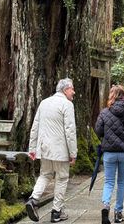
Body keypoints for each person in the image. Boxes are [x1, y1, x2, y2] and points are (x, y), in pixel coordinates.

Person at [26, 78, 77, 223]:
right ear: (65, 90)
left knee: (45, 174)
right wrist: (73, 153)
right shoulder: (67, 105)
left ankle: (34, 199)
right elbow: (70, 130)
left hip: (45, 148)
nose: (74, 92)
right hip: (60, 150)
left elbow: (35, 126)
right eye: (72, 89)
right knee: (61, 178)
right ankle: (56, 211)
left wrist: (33, 148)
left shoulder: (44, 102)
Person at [95, 85, 124, 224]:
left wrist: (107, 134)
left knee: (109, 181)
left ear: (112, 96)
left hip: (109, 152)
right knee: (121, 181)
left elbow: (98, 131)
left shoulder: (104, 112)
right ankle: (118, 212)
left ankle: (105, 205)